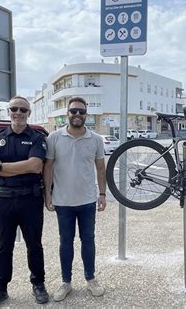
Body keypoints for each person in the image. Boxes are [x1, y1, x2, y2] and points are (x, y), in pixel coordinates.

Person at [0, 96, 49, 308]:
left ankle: (38, 283)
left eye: (23, 109)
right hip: (4, 200)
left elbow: (36, 166)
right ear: (8, 111)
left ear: (29, 113)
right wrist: (21, 166)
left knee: (34, 245)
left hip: (31, 199)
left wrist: (3, 167)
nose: (18, 112)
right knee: (3, 247)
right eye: (14, 109)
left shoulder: (37, 138)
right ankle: (0, 289)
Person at [43, 96, 107, 302]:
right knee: (65, 243)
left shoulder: (96, 139)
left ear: (86, 115)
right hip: (63, 202)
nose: (77, 115)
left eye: (81, 111)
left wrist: (103, 194)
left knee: (88, 240)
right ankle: (66, 282)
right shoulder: (54, 138)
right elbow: (48, 167)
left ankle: (90, 279)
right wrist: (48, 193)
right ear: (67, 114)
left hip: (88, 201)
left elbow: (100, 168)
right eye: (73, 111)